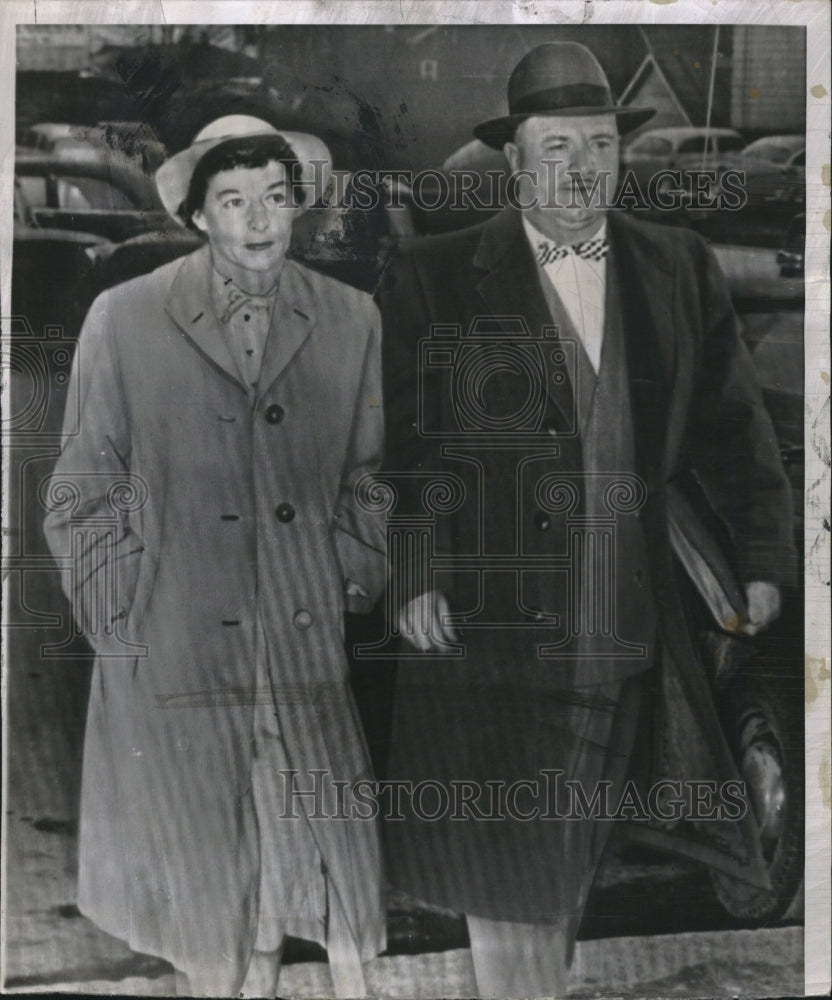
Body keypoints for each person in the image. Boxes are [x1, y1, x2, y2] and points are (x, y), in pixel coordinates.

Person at [377, 43, 796, 997]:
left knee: (566, 870)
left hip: (628, 634)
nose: (580, 168)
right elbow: (404, 449)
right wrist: (417, 571)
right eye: (556, 145)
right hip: (492, 631)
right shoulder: (436, 276)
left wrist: (765, 557)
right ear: (516, 161)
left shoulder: (676, 266)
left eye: (599, 144)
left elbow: (735, 431)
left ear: (621, 154)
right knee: (505, 873)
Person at [43, 115, 387, 998]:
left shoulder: (351, 318)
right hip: (180, 656)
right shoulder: (123, 318)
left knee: (315, 888)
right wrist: (126, 613)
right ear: (197, 216)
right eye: (233, 201)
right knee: (209, 919)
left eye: (275, 197)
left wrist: (350, 571)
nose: (260, 219)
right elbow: (81, 493)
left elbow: (369, 476)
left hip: (301, 655)